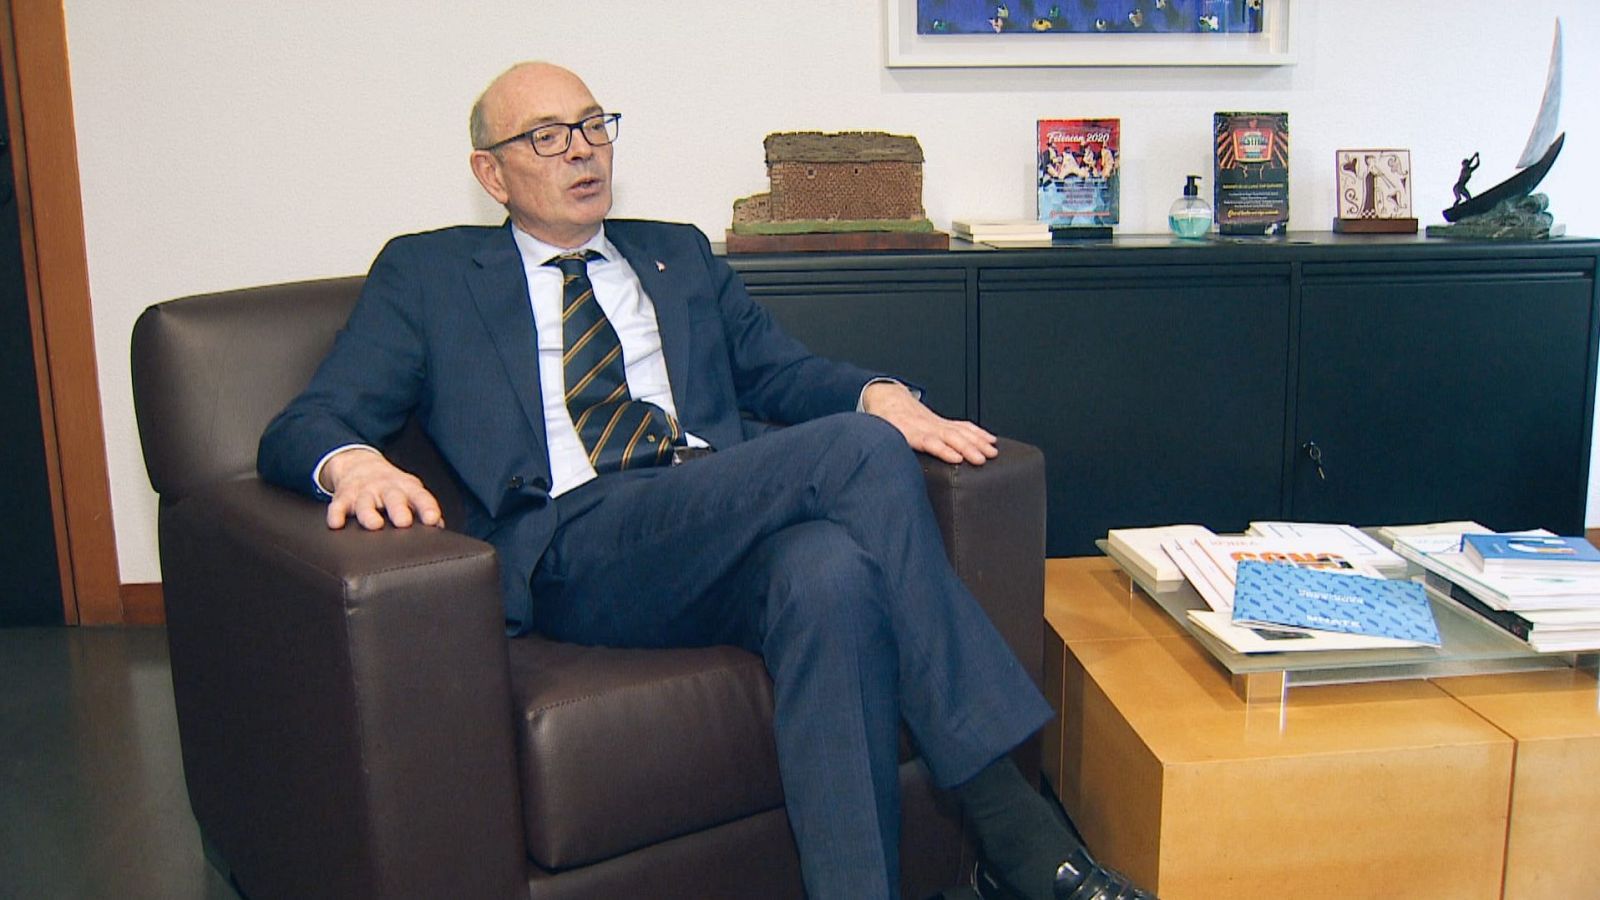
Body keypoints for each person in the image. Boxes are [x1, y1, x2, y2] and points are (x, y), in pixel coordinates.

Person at [257, 61, 1154, 900]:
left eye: (592, 125)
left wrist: (876, 391)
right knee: (856, 451)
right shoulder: (431, 274)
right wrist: (357, 460)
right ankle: (1017, 827)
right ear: (490, 175)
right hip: (577, 542)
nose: (580, 149)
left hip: (711, 523)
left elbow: (779, 372)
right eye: (545, 136)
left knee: (828, 575)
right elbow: (306, 421)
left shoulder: (675, 254)